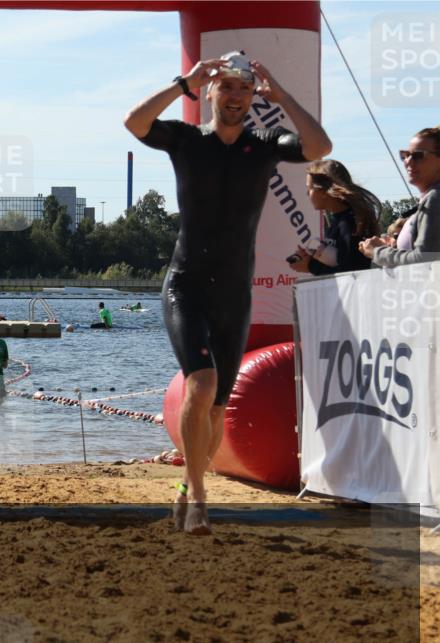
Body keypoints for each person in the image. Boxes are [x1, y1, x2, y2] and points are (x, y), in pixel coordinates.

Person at [124, 50, 331, 535]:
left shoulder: (265, 144)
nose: (235, 96)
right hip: (187, 283)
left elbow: (319, 147)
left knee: (217, 408)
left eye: (244, 88)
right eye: (226, 87)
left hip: (234, 292)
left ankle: (187, 484)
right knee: (201, 383)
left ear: (253, 96)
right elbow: (134, 122)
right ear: (210, 93)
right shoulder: (186, 140)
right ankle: (198, 496)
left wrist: (282, 96)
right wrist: (183, 82)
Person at [360, 127, 440, 267]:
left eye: (418, 155)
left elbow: (425, 261)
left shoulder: (435, 198)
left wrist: (378, 251)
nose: (408, 161)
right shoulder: (430, 198)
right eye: (405, 154)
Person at [288, 160, 381, 275]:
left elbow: (351, 272)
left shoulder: (349, 223)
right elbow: (339, 263)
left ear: (322, 192)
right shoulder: (339, 220)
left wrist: (310, 266)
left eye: (310, 188)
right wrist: (312, 259)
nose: (307, 194)